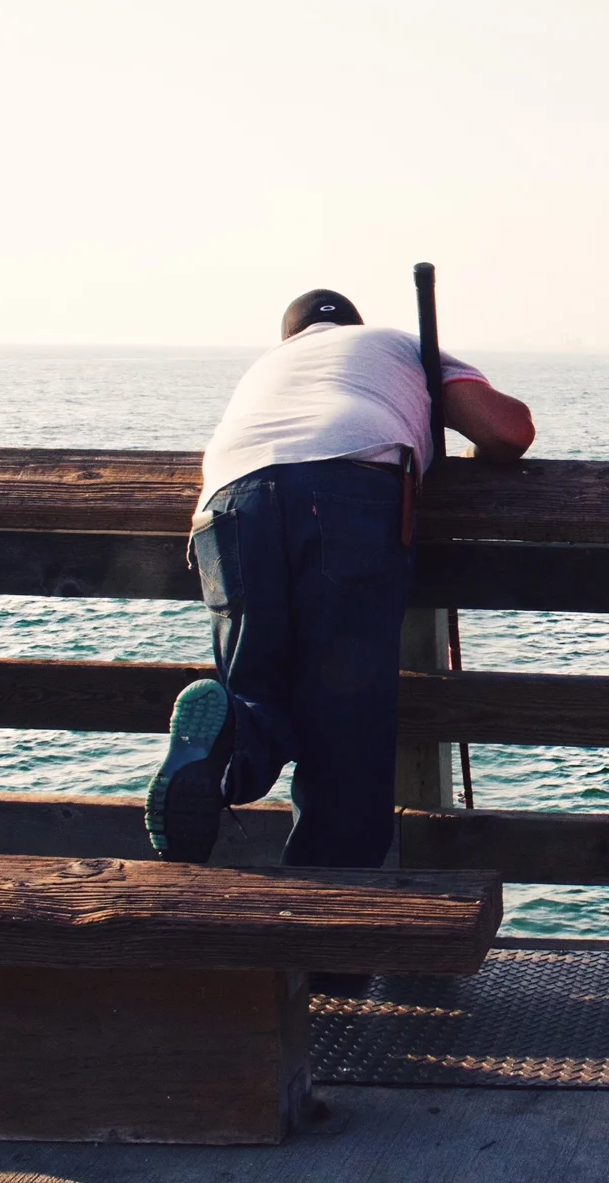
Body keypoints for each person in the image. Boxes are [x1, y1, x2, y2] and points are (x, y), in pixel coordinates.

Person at [147, 289, 535, 870]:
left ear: (290, 339)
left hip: (230, 500)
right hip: (348, 486)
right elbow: (506, 432)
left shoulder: (265, 370)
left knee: (255, 687)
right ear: (356, 325)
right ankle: (332, 940)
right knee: (346, 728)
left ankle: (227, 744)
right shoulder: (398, 344)